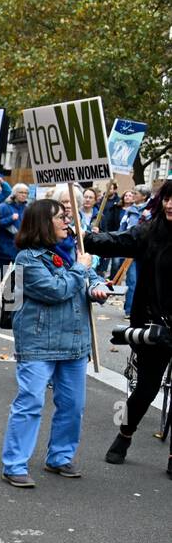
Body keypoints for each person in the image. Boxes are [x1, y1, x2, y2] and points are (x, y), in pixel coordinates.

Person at [0, 199, 108, 487]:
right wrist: (82, 270)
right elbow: (55, 290)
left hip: (74, 342)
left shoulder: (75, 251)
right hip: (38, 342)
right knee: (31, 402)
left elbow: (92, 277)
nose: (66, 222)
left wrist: (97, 286)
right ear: (42, 223)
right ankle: (14, 464)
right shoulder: (27, 259)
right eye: (60, 217)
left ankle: (59, 457)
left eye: (66, 217)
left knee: (73, 405)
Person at [88, 178, 172, 477]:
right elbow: (117, 242)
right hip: (153, 322)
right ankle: (124, 434)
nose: (171, 204)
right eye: (167, 198)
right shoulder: (149, 232)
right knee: (147, 388)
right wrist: (86, 239)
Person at [0, 183, 30, 289]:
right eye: (21, 192)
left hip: (20, 248)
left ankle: (8, 301)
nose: (24, 195)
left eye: (26, 193)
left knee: (17, 276)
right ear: (14, 193)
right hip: (5, 247)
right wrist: (10, 218)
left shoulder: (27, 209)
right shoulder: (4, 206)